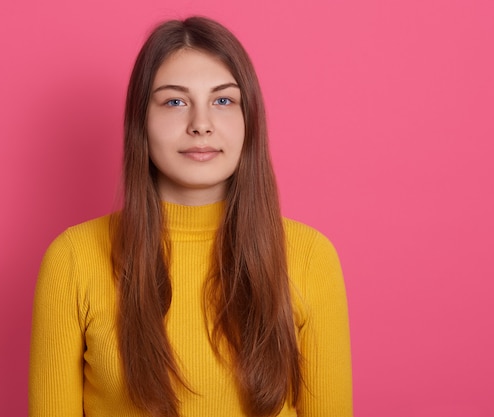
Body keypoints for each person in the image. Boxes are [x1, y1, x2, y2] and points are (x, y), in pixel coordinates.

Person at [29, 16, 352, 417]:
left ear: (249, 121)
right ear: (140, 123)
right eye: (175, 101)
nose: (201, 125)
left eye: (223, 101)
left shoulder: (309, 257)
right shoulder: (72, 259)